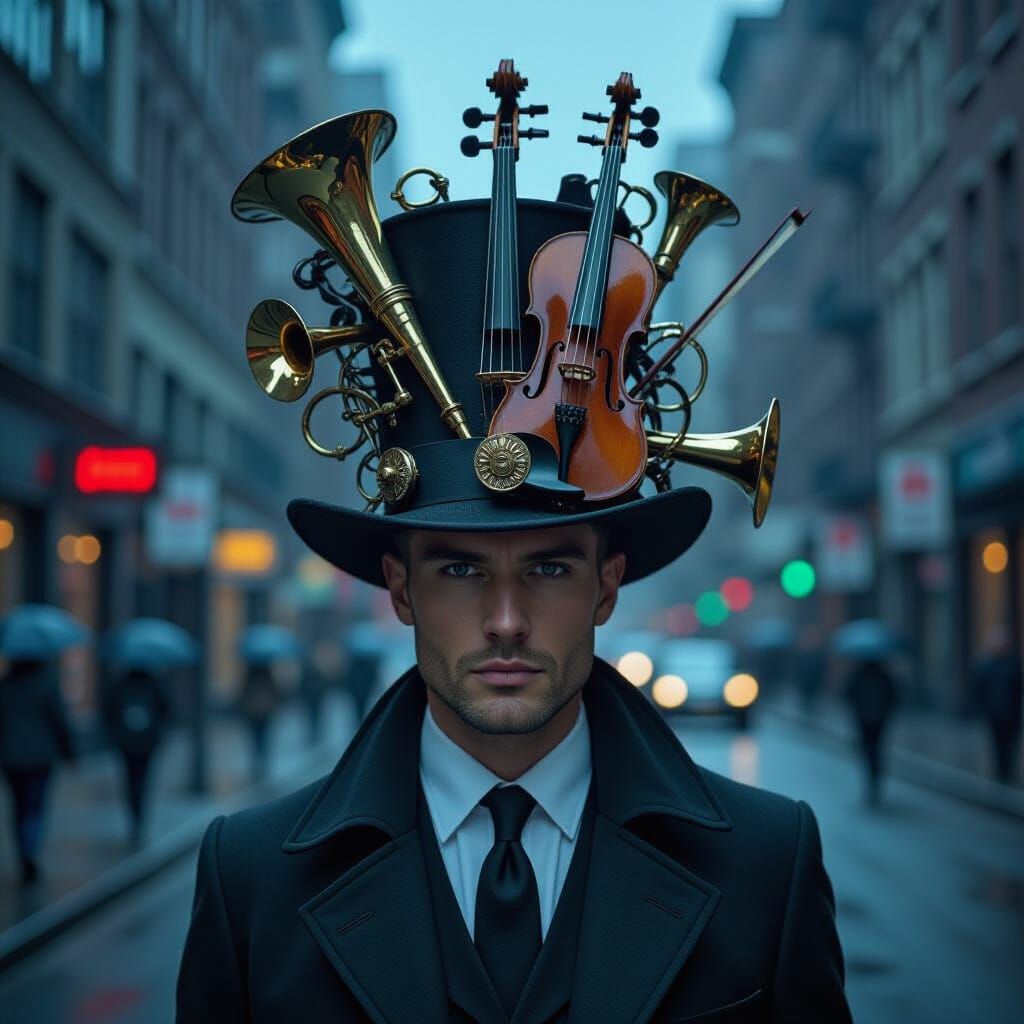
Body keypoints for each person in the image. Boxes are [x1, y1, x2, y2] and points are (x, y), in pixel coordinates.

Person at [177, 160, 851, 1022]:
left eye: (550, 568)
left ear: (608, 584)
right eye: (460, 570)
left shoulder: (768, 862)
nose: (505, 621)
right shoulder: (250, 876)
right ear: (400, 587)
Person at [0, 658, 75, 882]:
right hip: (41, 758)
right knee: (35, 806)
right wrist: (70, 752)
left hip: (11, 758)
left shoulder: (5, 686)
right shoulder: (46, 685)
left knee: (19, 806)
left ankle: (24, 851)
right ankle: (30, 850)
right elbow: (60, 721)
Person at [101, 667, 171, 844]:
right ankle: (140, 816)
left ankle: (133, 814)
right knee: (143, 778)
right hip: (147, 741)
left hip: (126, 742)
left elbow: (108, 712)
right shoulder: (154, 683)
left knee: (130, 778)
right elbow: (166, 710)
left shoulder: (120, 684)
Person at [842, 658, 899, 806]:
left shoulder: (858, 675)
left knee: (867, 750)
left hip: (863, 720)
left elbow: (847, 695)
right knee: (876, 749)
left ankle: (871, 779)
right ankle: (875, 779)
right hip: (880, 720)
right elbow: (895, 697)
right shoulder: (885, 676)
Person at [971, 624, 1022, 783]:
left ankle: (1007, 771)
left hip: (1012, 712)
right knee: (997, 743)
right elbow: (978, 687)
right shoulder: (987, 664)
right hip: (994, 712)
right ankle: (1001, 772)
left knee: (1010, 743)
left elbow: (1018, 686)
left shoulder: (1014, 663)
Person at [238, 664, 280, 782]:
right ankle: (263, 760)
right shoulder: (268, 674)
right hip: (265, 711)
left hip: (253, 711)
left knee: (255, 737)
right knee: (263, 736)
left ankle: (257, 761)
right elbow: (274, 691)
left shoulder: (249, 675)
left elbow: (243, 693)